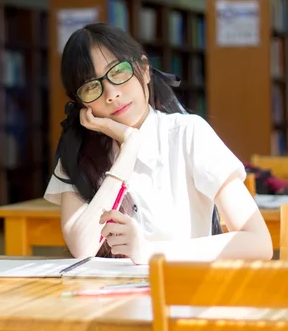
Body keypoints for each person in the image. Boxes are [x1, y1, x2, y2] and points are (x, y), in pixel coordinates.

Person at [44, 23, 273, 264]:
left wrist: (149, 251)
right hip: (108, 298)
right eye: (92, 87)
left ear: (143, 70)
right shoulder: (77, 151)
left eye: (118, 72)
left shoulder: (188, 133)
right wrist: (128, 150)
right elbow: (83, 246)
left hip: (180, 295)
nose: (111, 94)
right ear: (82, 104)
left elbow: (258, 242)